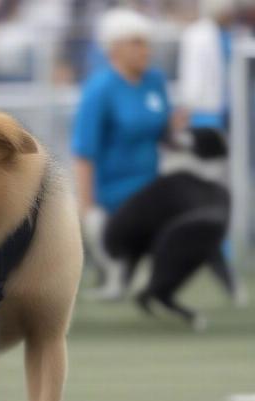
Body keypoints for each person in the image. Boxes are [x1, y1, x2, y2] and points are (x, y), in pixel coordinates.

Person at [71, 8, 176, 300]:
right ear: (114, 48)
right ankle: (117, 274)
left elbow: (164, 132)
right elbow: (84, 150)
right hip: (114, 192)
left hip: (152, 187)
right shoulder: (99, 89)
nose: (146, 50)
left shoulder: (154, 81)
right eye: (137, 43)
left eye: (146, 43)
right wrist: (87, 204)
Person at [178, 0, 237, 130]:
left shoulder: (230, 33)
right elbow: (192, 73)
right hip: (205, 108)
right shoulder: (197, 34)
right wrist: (189, 103)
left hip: (229, 106)